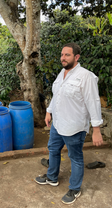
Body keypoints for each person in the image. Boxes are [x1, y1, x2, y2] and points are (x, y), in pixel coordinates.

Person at [35, 43, 103, 205]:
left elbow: (93, 103)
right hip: (58, 124)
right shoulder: (62, 73)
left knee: (76, 157)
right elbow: (57, 94)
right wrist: (49, 111)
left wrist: (96, 129)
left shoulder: (86, 76)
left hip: (74, 126)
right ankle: (52, 177)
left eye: (67, 55)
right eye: (62, 55)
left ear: (76, 57)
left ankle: (75, 188)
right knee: (53, 149)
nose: (62, 58)